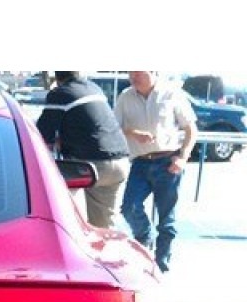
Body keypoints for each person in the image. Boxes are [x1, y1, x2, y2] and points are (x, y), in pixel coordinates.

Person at [114, 71, 198, 272]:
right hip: (140, 163)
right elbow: (115, 127)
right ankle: (145, 237)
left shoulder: (171, 93)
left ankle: (162, 263)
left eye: (138, 72)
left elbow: (191, 129)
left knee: (167, 218)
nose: (133, 77)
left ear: (152, 72)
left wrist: (183, 157)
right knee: (129, 207)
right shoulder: (125, 96)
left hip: (168, 161)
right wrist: (133, 133)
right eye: (130, 73)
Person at [36, 71, 130, 230]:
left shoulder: (61, 94)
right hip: (120, 161)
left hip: (90, 166)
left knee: (66, 219)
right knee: (103, 227)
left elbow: (41, 137)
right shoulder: (94, 88)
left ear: (57, 77)